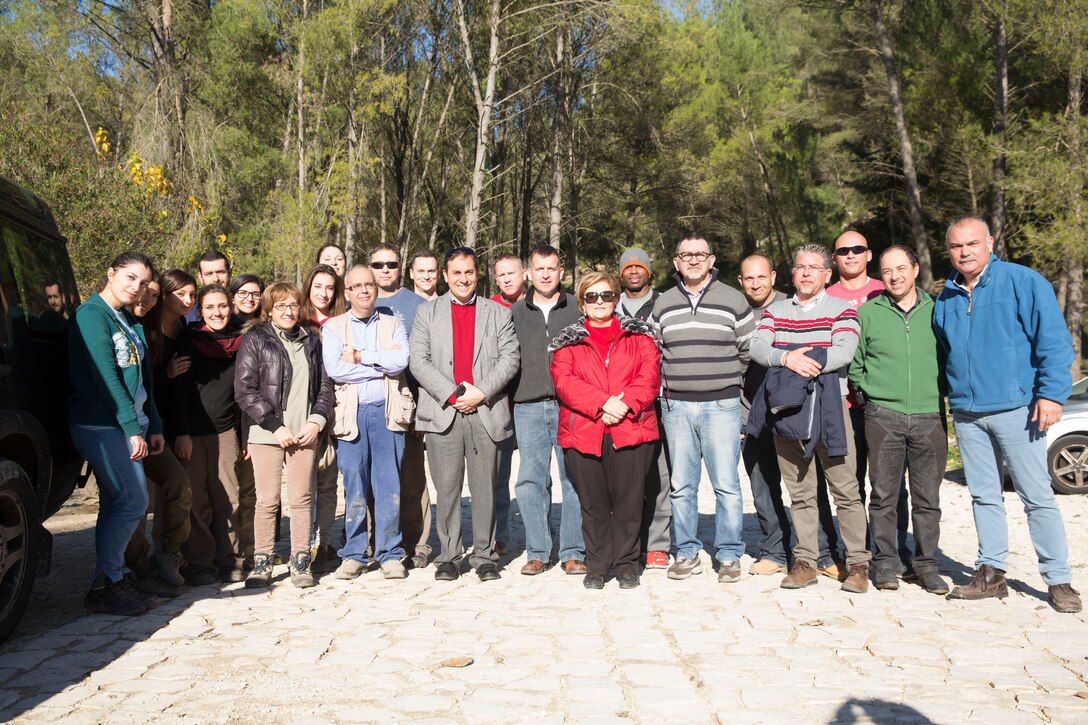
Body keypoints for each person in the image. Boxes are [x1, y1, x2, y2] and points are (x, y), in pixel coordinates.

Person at [933, 216, 1080, 614]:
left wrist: (1051, 395)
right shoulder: (945, 296)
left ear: (990, 242)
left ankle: (1058, 579)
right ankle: (991, 573)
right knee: (984, 496)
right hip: (967, 413)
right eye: (956, 246)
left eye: (972, 244)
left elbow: (1053, 341)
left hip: (1018, 409)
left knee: (1037, 496)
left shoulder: (1023, 281)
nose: (964, 252)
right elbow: (945, 355)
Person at [749, 244, 871, 593]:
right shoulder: (775, 311)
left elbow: (844, 351)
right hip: (788, 412)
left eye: (814, 267)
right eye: (800, 267)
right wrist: (787, 360)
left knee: (846, 490)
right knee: (800, 491)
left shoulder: (843, 310)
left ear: (827, 274)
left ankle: (858, 563)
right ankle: (805, 561)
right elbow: (758, 347)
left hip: (832, 410)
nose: (806, 273)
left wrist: (800, 363)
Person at [409, 247, 519, 582]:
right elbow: (418, 360)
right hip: (444, 411)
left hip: (485, 410)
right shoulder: (427, 314)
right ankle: (450, 554)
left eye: (469, 272)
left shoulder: (497, 313)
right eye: (456, 273)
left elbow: (509, 359)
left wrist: (481, 392)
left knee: (485, 486)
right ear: (445, 275)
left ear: (477, 274)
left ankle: (485, 555)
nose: (463, 279)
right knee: (447, 487)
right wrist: (452, 393)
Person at [651, 236, 754, 583]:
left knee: (726, 483)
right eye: (685, 255)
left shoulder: (733, 300)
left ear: (711, 260)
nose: (693, 260)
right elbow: (656, 352)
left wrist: (729, 391)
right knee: (681, 485)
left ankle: (728, 554)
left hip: (721, 404)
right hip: (676, 406)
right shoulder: (663, 303)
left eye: (699, 255)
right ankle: (687, 552)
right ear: (676, 262)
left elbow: (746, 351)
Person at [550, 272, 660, 589]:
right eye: (592, 296)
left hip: (631, 427)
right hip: (585, 429)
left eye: (607, 295)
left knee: (629, 501)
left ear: (616, 298)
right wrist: (603, 403)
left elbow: (649, 376)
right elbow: (565, 381)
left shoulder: (640, 335)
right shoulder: (568, 339)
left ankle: (626, 564)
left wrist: (622, 407)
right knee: (593, 503)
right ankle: (597, 564)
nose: (600, 302)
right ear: (582, 302)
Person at [69, 251, 164, 615]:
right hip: (101, 424)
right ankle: (109, 580)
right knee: (134, 501)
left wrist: (151, 424)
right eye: (129, 278)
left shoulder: (124, 319)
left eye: (142, 283)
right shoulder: (91, 316)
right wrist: (129, 427)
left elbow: (144, 379)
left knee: (114, 504)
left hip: (130, 423)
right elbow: (106, 377)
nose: (135, 288)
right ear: (110, 273)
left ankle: (110, 580)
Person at [849, 245, 948, 595]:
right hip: (883, 415)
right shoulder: (868, 313)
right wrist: (871, 393)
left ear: (916, 269)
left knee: (927, 499)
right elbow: (855, 363)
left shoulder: (937, 310)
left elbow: (950, 356)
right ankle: (886, 562)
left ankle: (926, 564)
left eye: (901, 268)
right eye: (888, 270)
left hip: (930, 415)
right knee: (883, 495)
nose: (895, 276)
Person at [738, 254, 842, 579]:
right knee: (763, 486)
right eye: (748, 278)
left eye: (761, 277)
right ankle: (774, 551)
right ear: (740, 281)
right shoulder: (736, 312)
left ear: (773, 276)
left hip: (797, 414)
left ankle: (823, 552)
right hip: (752, 412)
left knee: (808, 487)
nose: (755, 283)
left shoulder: (792, 307)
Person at [234, 282, 334, 588]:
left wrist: (316, 420)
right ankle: (262, 560)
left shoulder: (312, 341)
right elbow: (245, 389)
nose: (288, 311)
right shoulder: (255, 339)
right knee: (266, 500)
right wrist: (274, 425)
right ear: (269, 310)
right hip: (267, 433)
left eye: (293, 305)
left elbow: (325, 386)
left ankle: (301, 560)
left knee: (302, 498)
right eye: (281, 306)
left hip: (304, 432)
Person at [826, 230, 910, 569]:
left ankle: (894, 550)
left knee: (889, 484)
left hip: (882, 405)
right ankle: (856, 552)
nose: (850, 255)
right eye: (843, 251)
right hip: (840, 406)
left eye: (857, 249)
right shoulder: (826, 294)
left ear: (869, 254)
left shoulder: (885, 288)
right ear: (834, 258)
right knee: (849, 484)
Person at [323, 265, 411, 580]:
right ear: (346, 293)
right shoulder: (333, 327)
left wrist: (360, 358)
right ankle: (355, 553)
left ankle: (390, 553)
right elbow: (335, 369)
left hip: (387, 413)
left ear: (376, 289)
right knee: (354, 484)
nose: (363, 290)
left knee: (389, 485)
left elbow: (400, 361)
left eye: (369, 285)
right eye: (356, 286)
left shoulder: (393, 323)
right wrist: (380, 362)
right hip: (351, 414)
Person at [509, 245, 585, 576]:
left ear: (561, 271)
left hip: (571, 407)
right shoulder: (515, 312)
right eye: (538, 269)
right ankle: (538, 550)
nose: (545, 274)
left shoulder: (577, 310)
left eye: (551, 268)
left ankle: (573, 550)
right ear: (528, 272)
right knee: (531, 480)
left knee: (575, 478)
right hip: (528, 405)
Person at [126, 269, 198, 586]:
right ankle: (138, 566)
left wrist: (180, 429)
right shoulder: (143, 326)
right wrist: (165, 374)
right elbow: (137, 380)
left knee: (178, 486)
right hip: (133, 424)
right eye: (180, 294)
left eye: (191, 295)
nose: (187, 301)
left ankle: (168, 554)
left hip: (160, 423)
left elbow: (182, 385)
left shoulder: (181, 327)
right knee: (136, 499)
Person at [174, 285, 246, 584]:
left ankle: (231, 558)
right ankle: (200, 562)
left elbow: (244, 394)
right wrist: (181, 432)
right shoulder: (189, 341)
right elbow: (179, 391)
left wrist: (243, 436)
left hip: (226, 430)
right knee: (197, 499)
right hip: (192, 433)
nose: (217, 313)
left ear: (230, 307)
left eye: (222, 306)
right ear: (200, 311)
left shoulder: (242, 341)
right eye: (210, 307)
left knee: (228, 498)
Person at [370, 243, 431, 569]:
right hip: (370, 402)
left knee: (411, 477)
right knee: (372, 479)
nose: (384, 270)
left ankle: (418, 543)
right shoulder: (360, 299)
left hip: (409, 403)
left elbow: (428, 359)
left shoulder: (418, 304)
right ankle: (374, 541)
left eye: (390, 264)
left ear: (400, 267)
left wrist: (423, 409)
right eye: (378, 264)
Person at [617, 248, 671, 569]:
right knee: (626, 476)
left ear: (649, 272)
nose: (634, 272)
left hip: (660, 398)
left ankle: (658, 544)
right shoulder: (610, 304)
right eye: (628, 267)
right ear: (621, 273)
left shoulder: (664, 303)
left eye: (640, 267)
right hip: (621, 402)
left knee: (660, 474)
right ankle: (629, 540)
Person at [300, 264, 346, 572]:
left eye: (329, 287)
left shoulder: (344, 322)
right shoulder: (297, 321)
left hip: (339, 408)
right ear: (308, 288)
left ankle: (326, 543)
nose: (323, 293)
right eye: (318, 286)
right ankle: (301, 545)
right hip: (303, 411)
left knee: (329, 482)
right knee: (304, 485)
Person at [487, 253, 525, 556]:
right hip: (500, 405)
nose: (508, 278)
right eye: (502, 275)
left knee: (536, 476)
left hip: (534, 403)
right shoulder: (488, 308)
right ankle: (498, 535)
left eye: (513, 272)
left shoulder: (539, 304)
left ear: (524, 273)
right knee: (497, 477)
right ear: (496, 279)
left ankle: (543, 535)